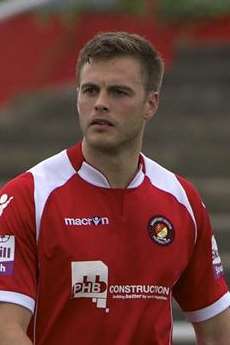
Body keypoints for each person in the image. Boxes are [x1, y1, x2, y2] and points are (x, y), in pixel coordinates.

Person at [0, 31, 229, 345]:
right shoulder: (27, 196)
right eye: (90, 90)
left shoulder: (181, 199)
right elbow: (6, 330)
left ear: (151, 104)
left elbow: (218, 332)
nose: (100, 104)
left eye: (118, 92)